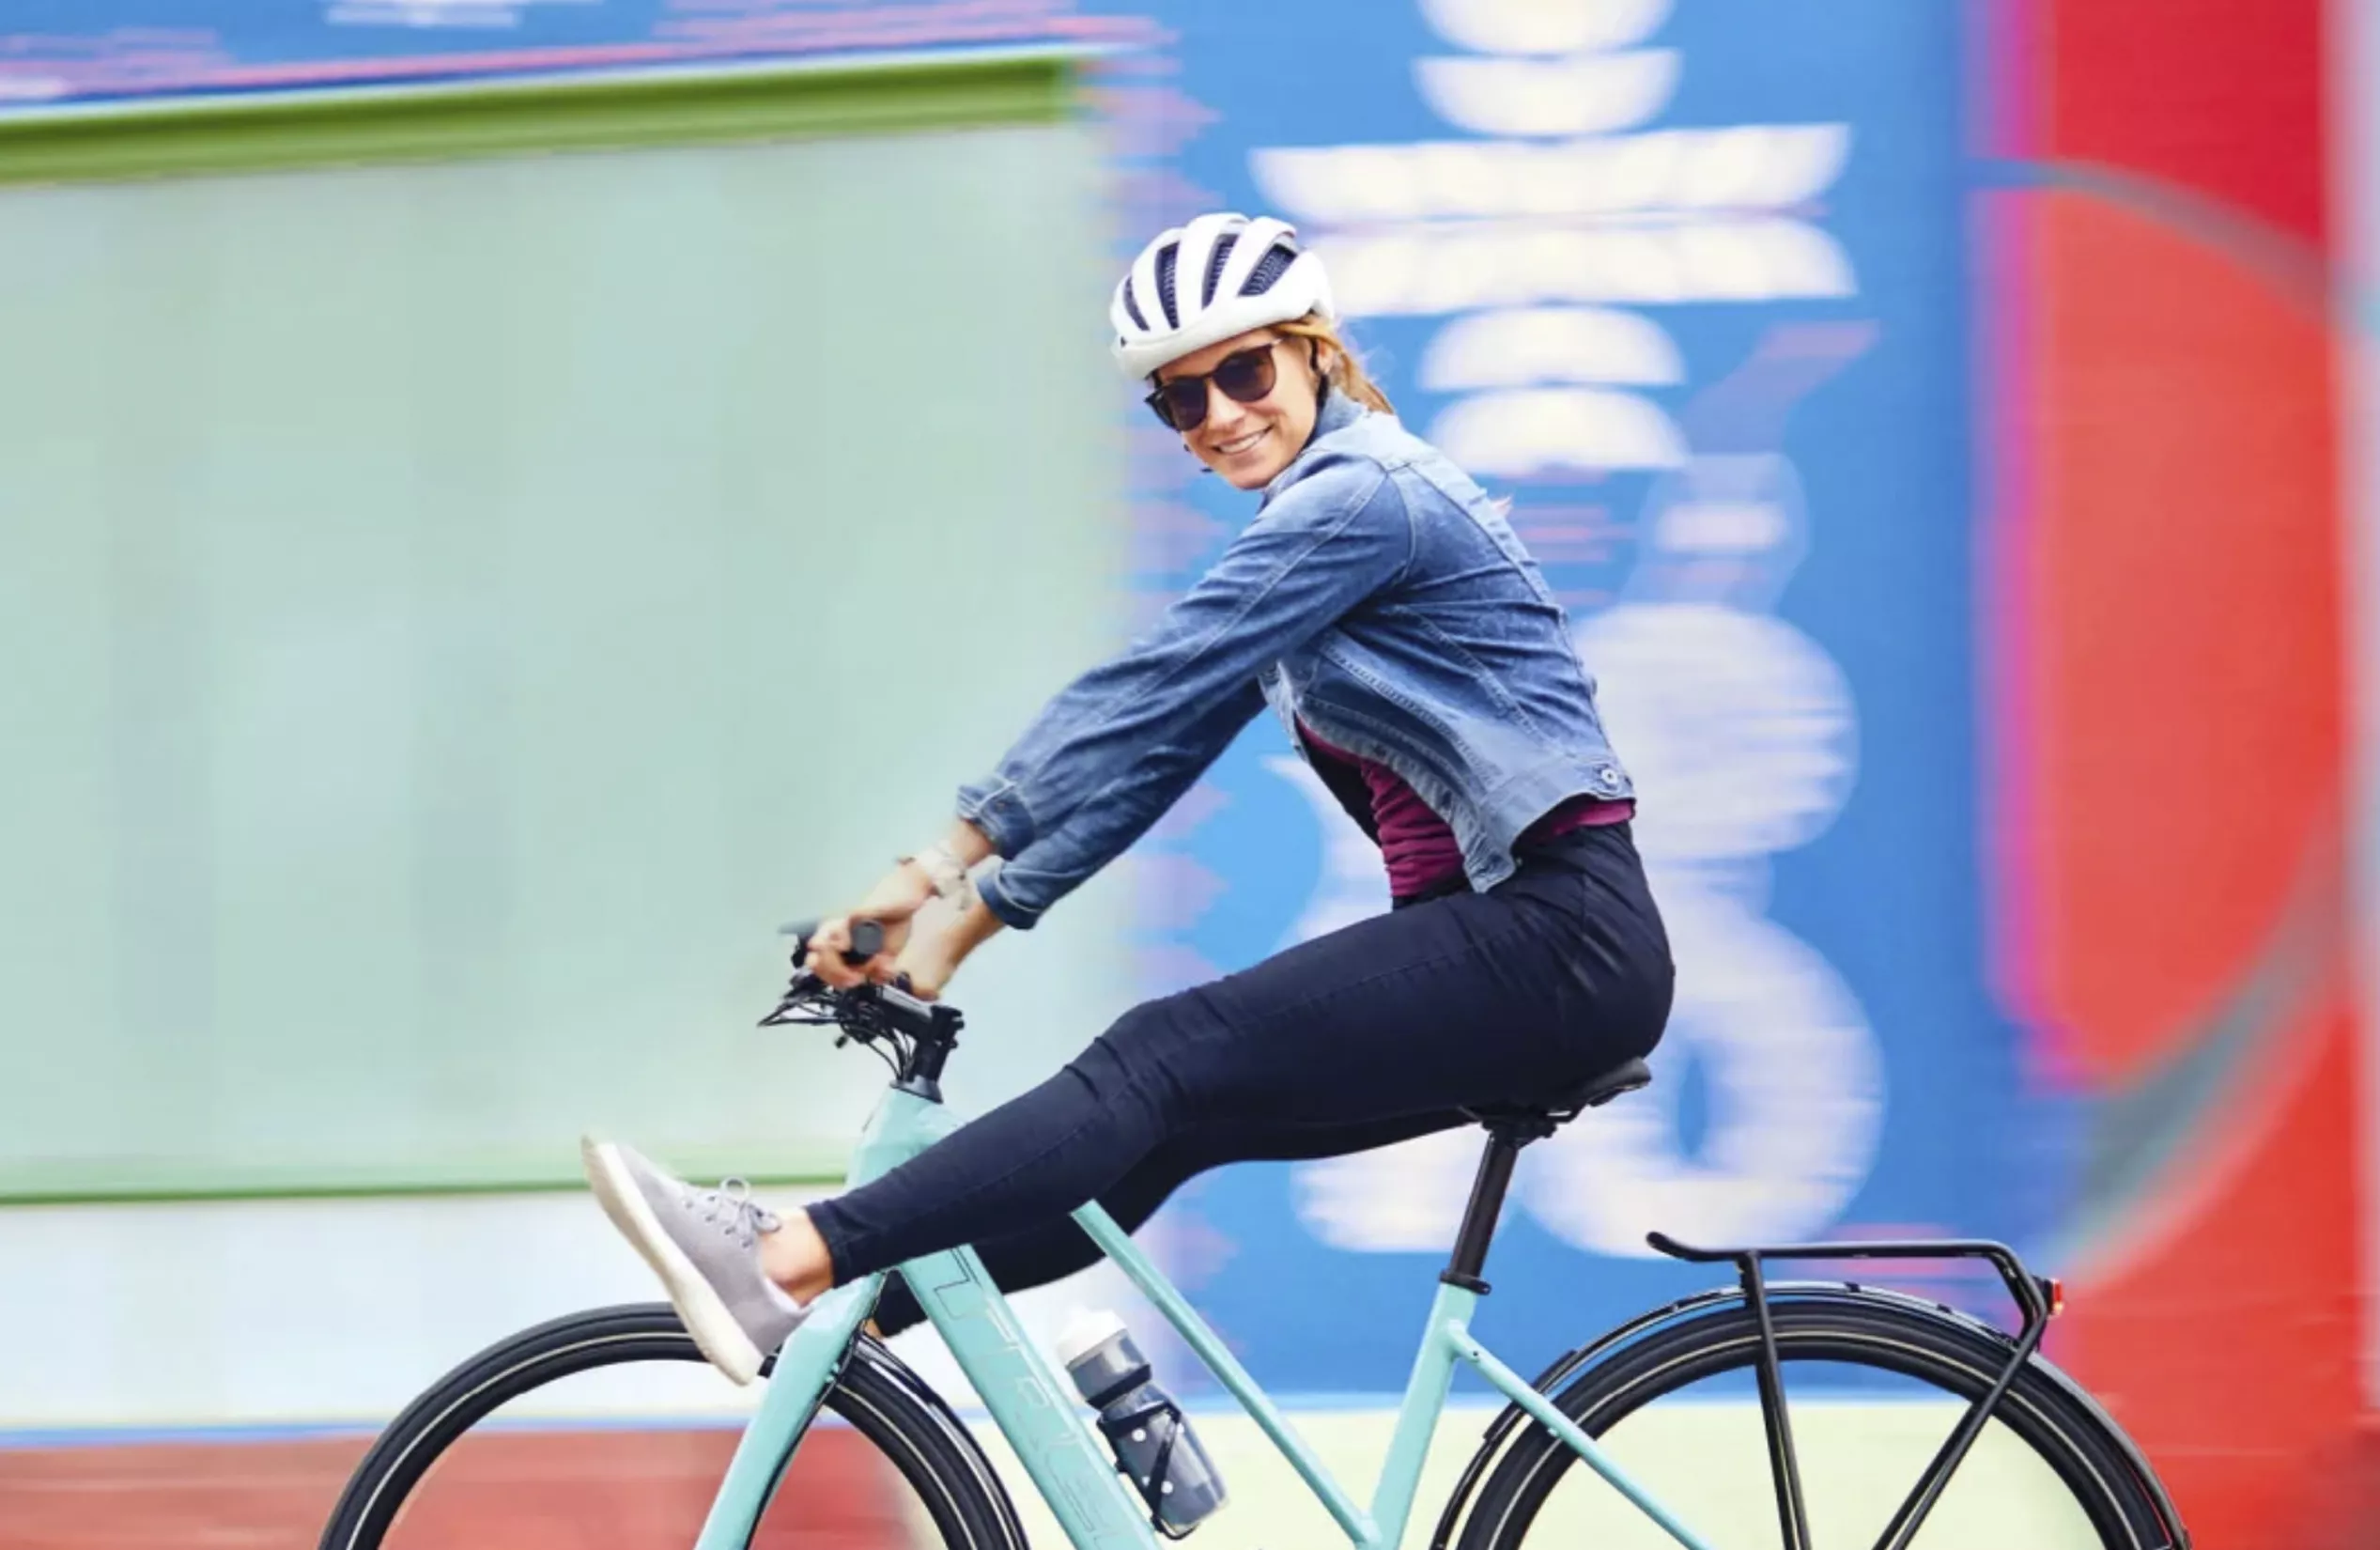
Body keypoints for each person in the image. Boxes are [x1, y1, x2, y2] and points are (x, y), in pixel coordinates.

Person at [581, 213, 1676, 1386]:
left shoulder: (1366, 497)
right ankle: (841, 1327)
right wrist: (957, 936)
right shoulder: (1311, 525)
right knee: (1168, 1125)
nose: (1219, 417)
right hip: (1528, 957)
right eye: (1178, 401)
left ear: (1314, 351)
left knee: (1161, 1054)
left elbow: (1147, 689)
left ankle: (787, 1257)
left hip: (1557, 943)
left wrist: (921, 875)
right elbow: (1163, 751)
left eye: (1244, 372)